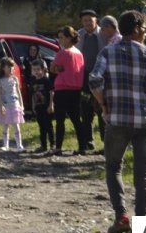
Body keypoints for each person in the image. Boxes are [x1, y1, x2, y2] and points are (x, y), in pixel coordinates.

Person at [89, 10, 146, 233]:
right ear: (136, 29)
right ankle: (141, 229)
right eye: (144, 29)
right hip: (145, 122)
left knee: (113, 167)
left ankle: (121, 217)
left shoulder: (107, 52)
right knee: (142, 176)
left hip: (117, 120)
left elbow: (94, 80)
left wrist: (104, 105)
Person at [49, 25, 89, 156]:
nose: (59, 40)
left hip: (62, 88)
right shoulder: (79, 53)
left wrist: (57, 69)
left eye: (61, 37)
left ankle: (58, 146)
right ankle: (82, 146)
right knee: (76, 119)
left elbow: (52, 68)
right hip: (76, 89)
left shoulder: (63, 52)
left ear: (68, 38)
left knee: (60, 120)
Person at [76, 9, 102, 154]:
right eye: (85, 20)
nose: (87, 23)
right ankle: (88, 142)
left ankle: (106, 143)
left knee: (102, 108)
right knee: (86, 110)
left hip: (100, 76)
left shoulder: (103, 34)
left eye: (90, 20)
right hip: (84, 77)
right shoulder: (79, 35)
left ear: (95, 20)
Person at [0, 56, 25, 151]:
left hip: (15, 105)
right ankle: (6, 145)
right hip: (6, 106)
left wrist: (21, 105)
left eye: (12, 67)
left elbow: (19, 93)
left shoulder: (15, 79)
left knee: (16, 126)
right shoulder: (1, 81)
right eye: (9, 67)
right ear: (3, 68)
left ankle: (19, 145)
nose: (11, 69)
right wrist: (1, 105)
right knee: (5, 126)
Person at [28, 58, 55, 152]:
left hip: (46, 106)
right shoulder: (33, 82)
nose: (36, 71)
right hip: (38, 107)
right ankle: (43, 145)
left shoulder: (46, 80)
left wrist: (51, 105)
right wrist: (33, 106)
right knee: (41, 127)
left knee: (48, 125)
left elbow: (51, 92)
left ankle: (53, 144)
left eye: (38, 69)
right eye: (34, 69)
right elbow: (32, 95)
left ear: (43, 69)